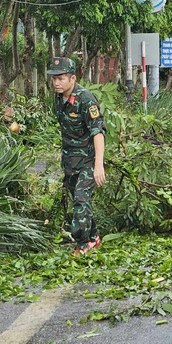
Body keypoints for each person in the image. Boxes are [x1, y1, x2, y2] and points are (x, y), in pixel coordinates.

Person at [47, 56, 106, 257]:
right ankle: (94, 237)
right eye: (54, 78)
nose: (56, 82)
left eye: (61, 78)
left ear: (73, 78)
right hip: (70, 160)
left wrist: (99, 165)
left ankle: (82, 245)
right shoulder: (58, 97)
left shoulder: (86, 99)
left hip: (89, 160)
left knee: (81, 198)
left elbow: (98, 133)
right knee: (80, 201)